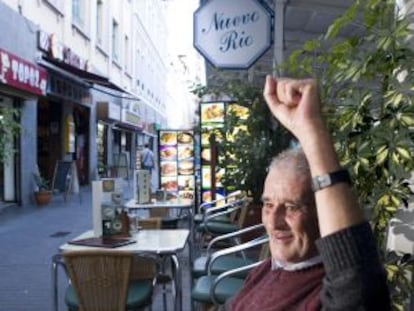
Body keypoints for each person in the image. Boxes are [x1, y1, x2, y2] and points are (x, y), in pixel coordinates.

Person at [224, 76, 390, 310]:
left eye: (292, 207)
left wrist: (311, 129)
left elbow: (356, 285)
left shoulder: (328, 294)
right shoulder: (267, 269)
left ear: (322, 214)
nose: (273, 222)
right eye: (268, 205)